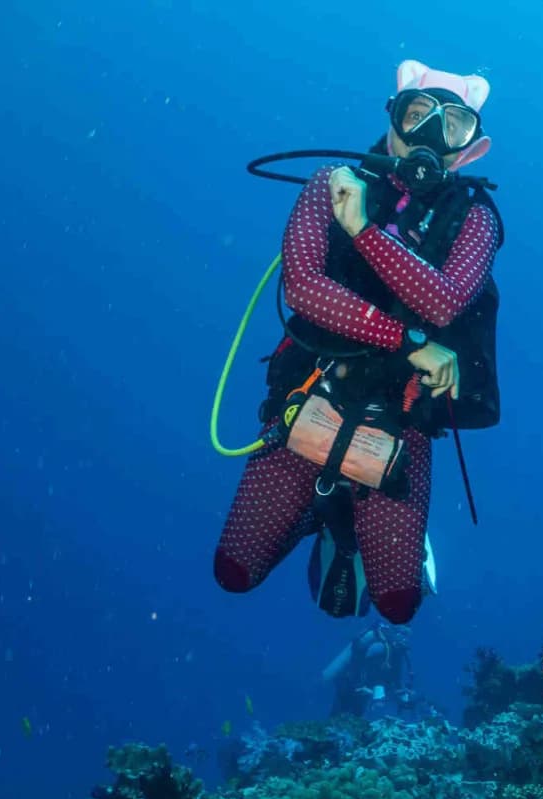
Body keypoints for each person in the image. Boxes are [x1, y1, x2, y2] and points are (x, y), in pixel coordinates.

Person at [214, 60, 503, 623]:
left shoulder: (477, 220)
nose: (428, 138)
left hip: (401, 421)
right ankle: (325, 520)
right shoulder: (332, 182)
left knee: (398, 606)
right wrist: (408, 341)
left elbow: (442, 302)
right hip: (311, 395)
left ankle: (361, 534)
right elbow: (302, 290)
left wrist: (363, 231)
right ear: (392, 118)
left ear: (470, 150)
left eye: (451, 128)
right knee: (234, 573)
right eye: (417, 116)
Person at [323, 622, 415, 718]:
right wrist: (364, 686)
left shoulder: (396, 654)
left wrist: (402, 693)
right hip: (350, 685)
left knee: (353, 719)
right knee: (339, 717)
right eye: (404, 634)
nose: (405, 639)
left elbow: (395, 679)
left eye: (407, 635)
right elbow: (362, 666)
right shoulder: (381, 648)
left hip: (362, 689)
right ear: (397, 632)